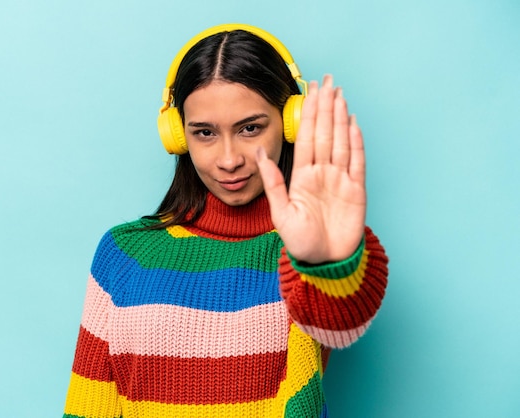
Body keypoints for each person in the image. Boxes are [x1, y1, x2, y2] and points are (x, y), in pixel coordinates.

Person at [62, 23, 389, 418]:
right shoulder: (124, 254)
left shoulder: (303, 251)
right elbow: (87, 407)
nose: (229, 159)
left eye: (250, 128)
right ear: (178, 136)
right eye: (204, 133)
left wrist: (326, 260)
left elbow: (341, 321)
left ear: (289, 123)